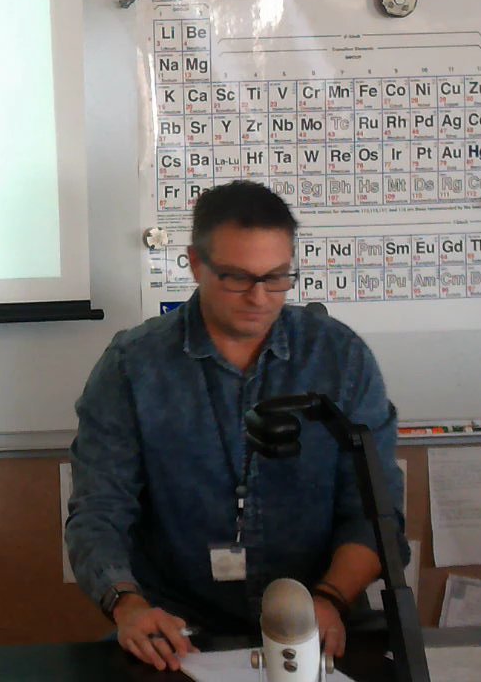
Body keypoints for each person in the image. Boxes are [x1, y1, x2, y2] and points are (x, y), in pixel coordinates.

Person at [65, 180, 406, 673]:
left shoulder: (339, 358)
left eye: (277, 277)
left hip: (318, 620)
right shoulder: (133, 367)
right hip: (177, 630)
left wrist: (331, 597)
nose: (259, 297)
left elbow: (376, 512)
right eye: (237, 278)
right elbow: (99, 510)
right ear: (195, 264)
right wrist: (128, 605)